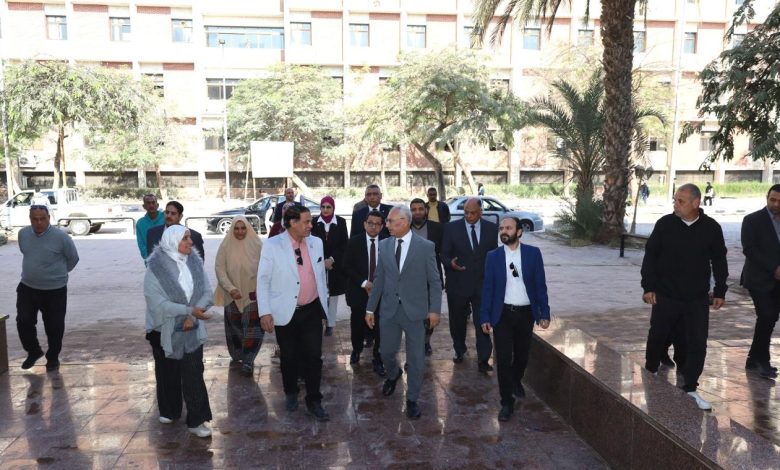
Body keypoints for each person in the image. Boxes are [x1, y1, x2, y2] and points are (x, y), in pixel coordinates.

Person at [641, 183, 728, 411]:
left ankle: (690, 386)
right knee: (658, 335)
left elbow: (719, 259)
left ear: (695, 203)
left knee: (696, 341)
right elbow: (650, 256)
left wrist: (720, 290)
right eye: (675, 200)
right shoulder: (665, 224)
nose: (675, 204)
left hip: (696, 298)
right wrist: (648, 287)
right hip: (666, 295)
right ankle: (650, 372)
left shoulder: (711, 228)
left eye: (680, 201)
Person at [366, 205, 442, 419]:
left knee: (416, 359)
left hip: (416, 312)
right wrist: (370, 307)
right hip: (389, 310)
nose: (387, 225)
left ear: (405, 222)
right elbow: (379, 278)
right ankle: (393, 374)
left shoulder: (425, 247)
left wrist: (434, 310)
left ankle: (412, 399)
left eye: (391, 221)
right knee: (386, 352)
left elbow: (434, 281)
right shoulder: (384, 245)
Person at [257, 205, 330, 421]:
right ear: (292, 222)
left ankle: (314, 400)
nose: (311, 225)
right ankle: (290, 391)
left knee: (314, 356)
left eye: (311, 221)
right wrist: (265, 312)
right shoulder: (272, 245)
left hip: (312, 310)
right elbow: (263, 280)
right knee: (289, 356)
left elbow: (320, 276)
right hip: (285, 311)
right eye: (306, 221)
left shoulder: (316, 243)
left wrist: (324, 308)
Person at [144, 225, 214, 437]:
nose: (190, 242)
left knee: (193, 373)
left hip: (192, 327)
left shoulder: (195, 262)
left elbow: (207, 293)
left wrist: (192, 317)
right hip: (163, 330)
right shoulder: (155, 268)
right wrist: (187, 311)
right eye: (185, 239)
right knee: (168, 372)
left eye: (189, 238)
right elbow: (157, 304)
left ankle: (196, 420)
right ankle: (170, 410)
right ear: (173, 241)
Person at [480, 216, 551, 422]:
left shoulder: (533, 254)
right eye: (501, 228)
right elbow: (488, 288)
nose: (504, 231)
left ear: (519, 232)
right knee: (503, 359)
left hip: (526, 313)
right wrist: (485, 316)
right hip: (502, 314)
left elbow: (540, 285)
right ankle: (506, 402)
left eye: (508, 228)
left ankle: (516, 379)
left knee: (522, 356)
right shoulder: (493, 256)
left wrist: (544, 312)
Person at [16, 204, 79, 371]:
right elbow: (26, 252)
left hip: (55, 290)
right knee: (23, 321)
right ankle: (33, 351)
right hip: (28, 287)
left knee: (54, 326)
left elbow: (73, 258)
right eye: (34, 219)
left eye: (42, 219)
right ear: (30, 219)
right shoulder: (23, 234)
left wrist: (57, 275)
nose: (39, 223)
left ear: (49, 218)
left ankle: (53, 357)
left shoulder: (61, 237)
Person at [441, 197, 499, 372]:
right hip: (458, 283)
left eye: (473, 213)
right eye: (466, 212)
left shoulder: (491, 228)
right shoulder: (451, 228)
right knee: (457, 321)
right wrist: (450, 263)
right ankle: (459, 349)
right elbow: (443, 254)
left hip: (482, 284)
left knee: (483, 321)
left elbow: (494, 254)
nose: (469, 216)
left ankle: (483, 358)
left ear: (481, 212)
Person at [214, 216, 264, 376]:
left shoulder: (257, 245)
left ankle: (248, 360)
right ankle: (237, 355)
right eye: (236, 228)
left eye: (243, 228)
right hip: (231, 295)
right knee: (235, 328)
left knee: (252, 328)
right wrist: (230, 288)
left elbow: (265, 269)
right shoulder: (225, 245)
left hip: (252, 294)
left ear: (248, 228)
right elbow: (219, 269)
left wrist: (261, 290)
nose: (240, 231)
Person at [740, 184, 780, 379]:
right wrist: (774, 268)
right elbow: (749, 249)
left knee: (770, 318)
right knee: (766, 315)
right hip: (758, 278)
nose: (776, 204)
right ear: (767, 198)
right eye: (773, 200)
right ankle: (763, 360)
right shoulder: (752, 220)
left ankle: (753, 358)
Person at [344, 210, 388, 375]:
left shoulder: (387, 242)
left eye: (377, 224)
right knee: (357, 324)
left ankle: (378, 359)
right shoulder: (354, 242)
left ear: (382, 226)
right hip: (358, 292)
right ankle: (356, 349)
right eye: (370, 223)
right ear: (364, 224)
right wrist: (364, 283)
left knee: (381, 327)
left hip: (382, 293)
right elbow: (346, 266)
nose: (373, 227)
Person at [410, 198, 444, 356]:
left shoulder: (437, 228)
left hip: (431, 277)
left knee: (430, 313)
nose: (417, 212)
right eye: (413, 209)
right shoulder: (405, 227)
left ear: (426, 210)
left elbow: (444, 252)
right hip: (410, 279)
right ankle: (414, 343)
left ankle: (426, 341)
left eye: (420, 209)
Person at [311, 196, 348, 336]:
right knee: (318, 293)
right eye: (323, 207)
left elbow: (344, 244)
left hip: (335, 265)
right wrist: (322, 261)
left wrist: (331, 259)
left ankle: (330, 323)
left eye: (328, 207)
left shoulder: (341, 222)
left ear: (333, 208)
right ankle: (319, 320)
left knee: (333, 296)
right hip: (317, 264)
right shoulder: (314, 222)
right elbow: (311, 243)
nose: (325, 210)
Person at [136, 194, 165, 262]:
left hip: (167, 260)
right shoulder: (140, 223)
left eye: (153, 202)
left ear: (157, 205)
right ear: (144, 206)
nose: (151, 205)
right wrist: (149, 257)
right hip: (150, 260)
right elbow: (141, 244)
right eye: (148, 203)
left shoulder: (166, 218)